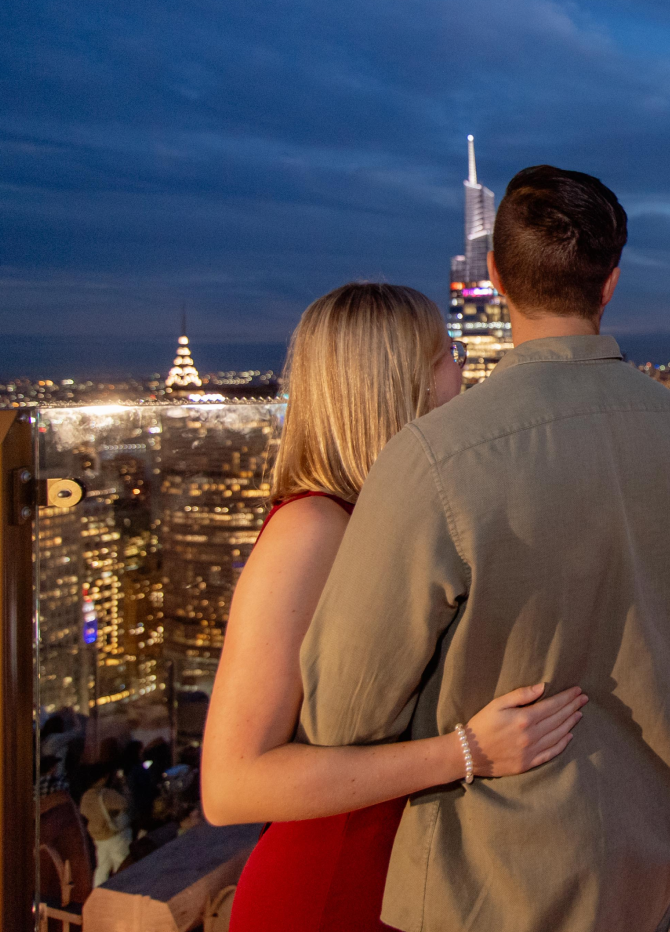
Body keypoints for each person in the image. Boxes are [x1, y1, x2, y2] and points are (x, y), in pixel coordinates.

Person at [298, 167, 670, 932]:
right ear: (610, 286)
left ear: (495, 278)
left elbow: (341, 712)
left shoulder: (437, 457)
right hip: (646, 877)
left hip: (486, 885)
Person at [202, 282, 587, 932]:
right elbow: (231, 785)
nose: (462, 369)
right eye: (445, 354)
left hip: (404, 883)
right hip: (329, 892)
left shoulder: (390, 518)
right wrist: (467, 753)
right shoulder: (314, 529)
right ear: (396, 383)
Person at [81, 768, 131, 885]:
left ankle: (97, 894)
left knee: (102, 868)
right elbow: (124, 803)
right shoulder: (106, 794)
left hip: (98, 838)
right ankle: (123, 892)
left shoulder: (86, 796)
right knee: (121, 864)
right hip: (114, 835)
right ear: (103, 779)